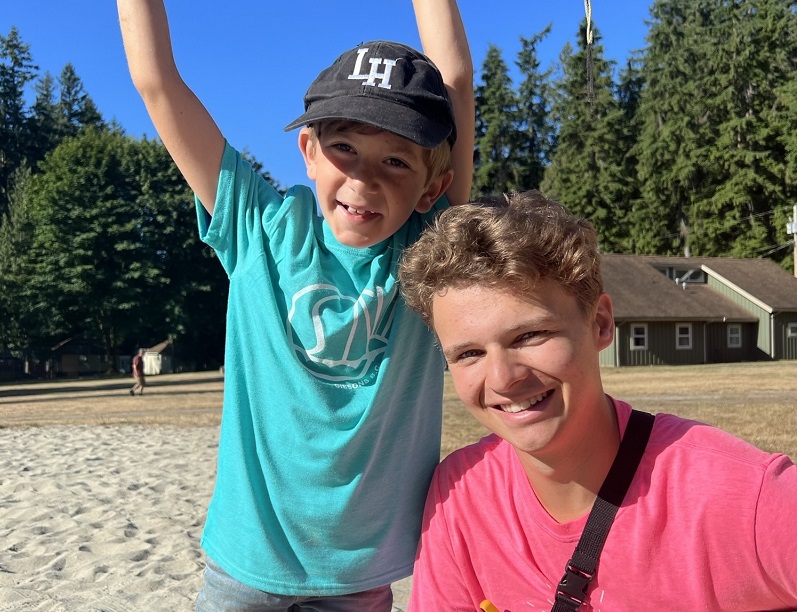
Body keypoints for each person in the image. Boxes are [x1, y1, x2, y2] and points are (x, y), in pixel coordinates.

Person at [117, 0, 474, 609]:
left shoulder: (429, 248)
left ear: (432, 187)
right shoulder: (255, 224)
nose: (364, 179)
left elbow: (456, 83)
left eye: (396, 160)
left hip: (359, 575)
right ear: (308, 151)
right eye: (345, 148)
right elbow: (156, 83)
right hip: (246, 563)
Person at [399, 191, 797, 611]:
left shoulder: (739, 496)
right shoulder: (461, 494)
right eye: (468, 354)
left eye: (529, 336)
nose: (502, 379)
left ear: (600, 325)